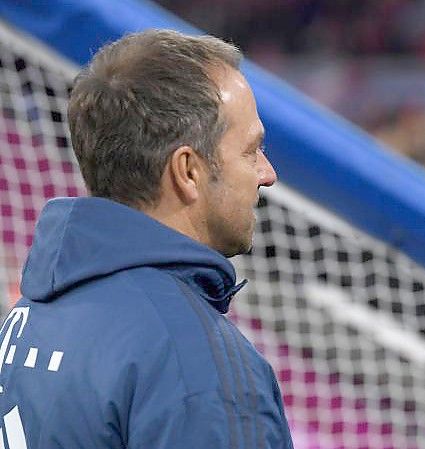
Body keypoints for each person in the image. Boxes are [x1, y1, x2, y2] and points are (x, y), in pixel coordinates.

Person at [0, 30, 293, 448]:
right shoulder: (192, 361)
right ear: (188, 171)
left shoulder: (31, 314)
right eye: (251, 151)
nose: (267, 173)